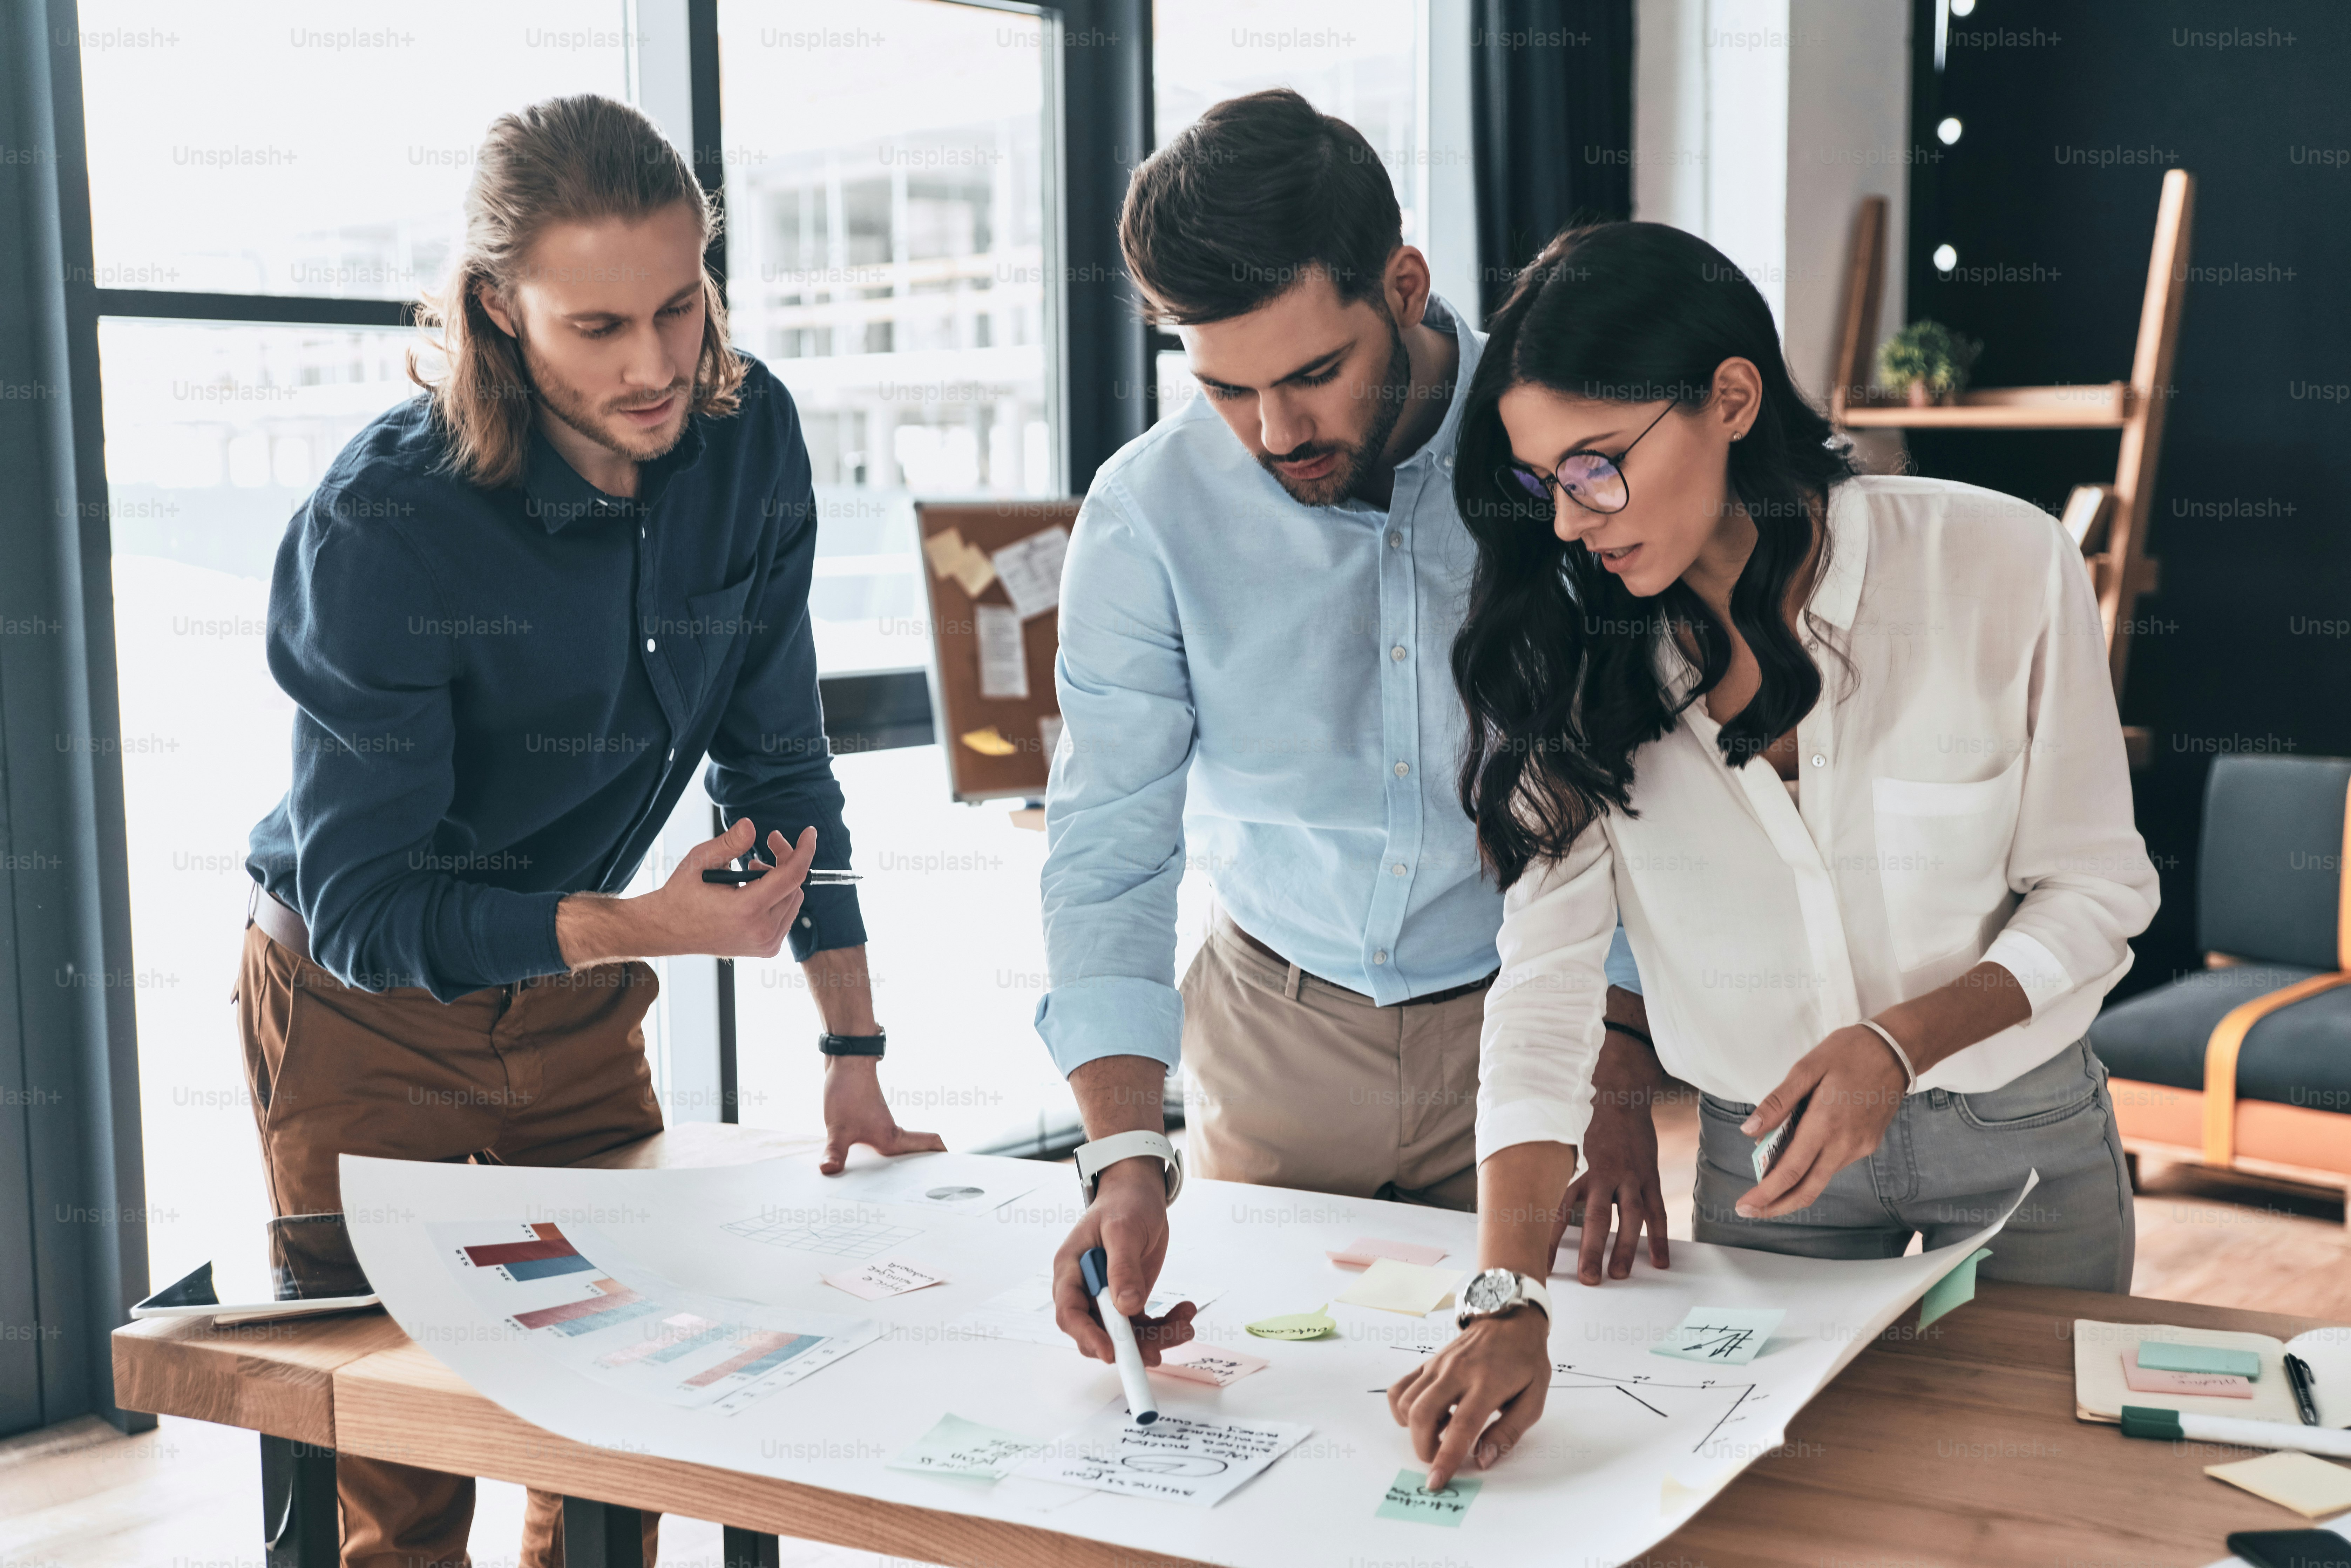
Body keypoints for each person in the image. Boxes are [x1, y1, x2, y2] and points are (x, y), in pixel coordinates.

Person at [237, 96, 941, 1568]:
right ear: (498, 309)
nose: (655, 366)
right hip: (363, 1017)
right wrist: (637, 930)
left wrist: (854, 1052)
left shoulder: (751, 443)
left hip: (572, 989)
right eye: (598, 327)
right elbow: (370, 912)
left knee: (621, 1412)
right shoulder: (387, 524)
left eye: (680, 308)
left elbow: (781, 765)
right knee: (404, 1474)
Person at [1387, 222, 2159, 1489]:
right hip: (1770, 1163)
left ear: (1730, 398)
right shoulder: (1578, 653)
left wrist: (1897, 1039)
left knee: (2041, 1489)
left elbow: (2096, 886)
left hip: (2019, 1129)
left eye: (1597, 465)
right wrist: (1503, 1293)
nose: (1572, 524)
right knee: (1792, 1494)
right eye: (1543, 484)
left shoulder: (1997, 561)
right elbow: (1541, 992)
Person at [1035, 89, 1665, 1369]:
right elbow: (1110, 841)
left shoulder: (1559, 445)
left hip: (1527, 1022)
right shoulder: (1146, 513)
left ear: (1403, 284)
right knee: (1280, 1423)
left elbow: (1649, 761)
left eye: (1313, 375)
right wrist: (1120, 1151)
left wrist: (1620, 1053)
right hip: (1273, 1034)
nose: (1277, 434)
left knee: (1549, 1433)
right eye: (1225, 390)